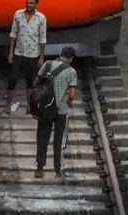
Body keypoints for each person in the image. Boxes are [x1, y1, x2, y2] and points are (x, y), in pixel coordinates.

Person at [34, 47, 78, 179]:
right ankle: (58, 171)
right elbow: (72, 94)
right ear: (71, 59)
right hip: (61, 110)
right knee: (58, 140)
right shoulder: (71, 71)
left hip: (45, 108)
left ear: (60, 55)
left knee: (42, 138)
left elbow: (36, 83)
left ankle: (39, 169)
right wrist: (68, 101)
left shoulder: (47, 64)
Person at [7, 0, 47, 109]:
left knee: (30, 80)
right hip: (18, 52)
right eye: (27, 3)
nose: (29, 5)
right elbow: (13, 33)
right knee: (12, 78)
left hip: (33, 54)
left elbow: (42, 38)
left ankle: (29, 105)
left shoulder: (41, 18)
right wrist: (11, 52)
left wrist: (41, 57)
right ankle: (8, 105)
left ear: (36, 4)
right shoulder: (18, 14)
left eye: (31, 3)